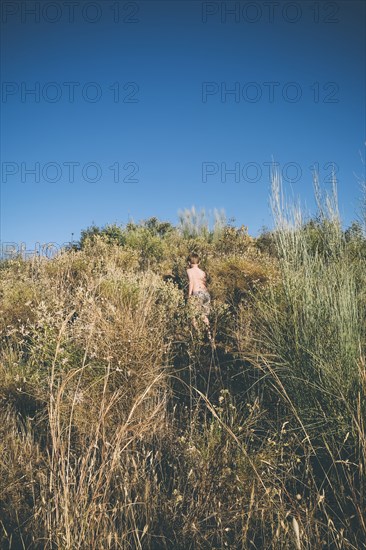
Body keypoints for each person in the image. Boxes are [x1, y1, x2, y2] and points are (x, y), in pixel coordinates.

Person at [187, 253, 213, 342]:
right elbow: (204, 283)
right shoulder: (203, 272)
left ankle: (199, 336)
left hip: (196, 293)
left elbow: (191, 282)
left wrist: (189, 296)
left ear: (189, 262)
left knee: (192, 315)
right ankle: (209, 336)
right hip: (206, 294)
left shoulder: (189, 271)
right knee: (204, 316)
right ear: (199, 262)